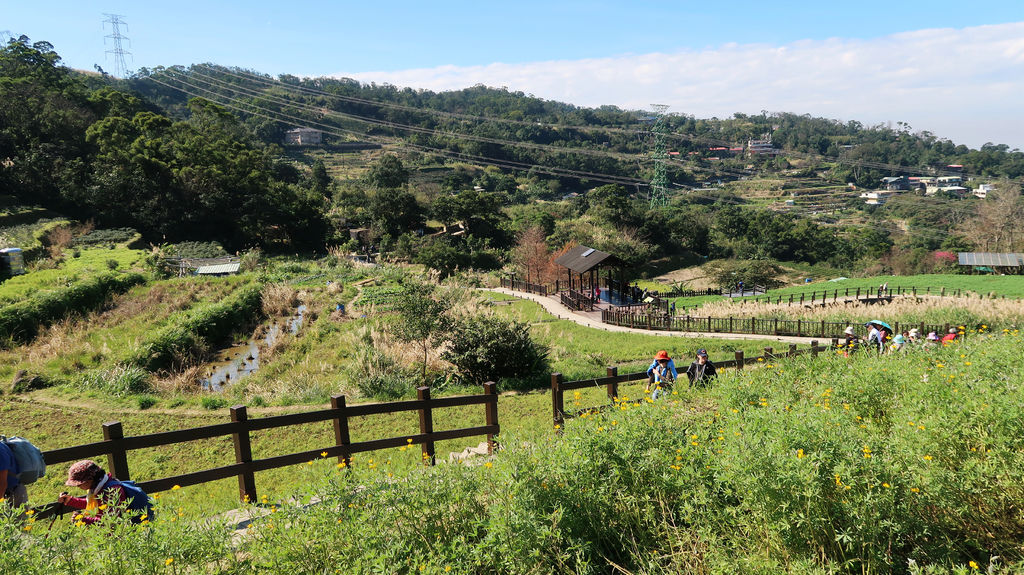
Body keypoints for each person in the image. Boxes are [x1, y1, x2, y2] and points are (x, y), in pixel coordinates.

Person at [58, 460, 151, 525]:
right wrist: (71, 501)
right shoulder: (97, 487)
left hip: (134, 529)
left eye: (79, 484)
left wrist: (83, 520)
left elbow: (112, 521)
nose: (77, 486)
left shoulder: (112, 491)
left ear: (90, 479)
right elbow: (94, 505)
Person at [0, 441, 28, 508]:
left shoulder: (0, 451)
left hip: (13, 495)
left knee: (20, 518)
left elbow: (2, 484)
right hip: (7, 494)